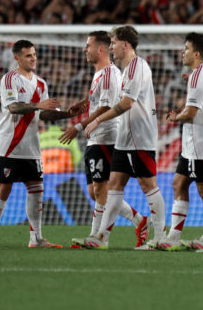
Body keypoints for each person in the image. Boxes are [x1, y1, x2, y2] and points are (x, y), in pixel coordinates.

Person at [0, 39, 86, 248]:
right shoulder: (10, 79)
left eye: (35, 55)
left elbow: (44, 115)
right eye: (28, 55)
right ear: (17, 58)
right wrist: (38, 105)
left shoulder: (41, 83)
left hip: (31, 147)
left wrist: (67, 113)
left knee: (36, 189)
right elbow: (13, 108)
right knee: (4, 189)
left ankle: (36, 238)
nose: (33, 59)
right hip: (9, 145)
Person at [59, 31, 149, 249]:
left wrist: (79, 126)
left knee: (102, 189)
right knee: (95, 191)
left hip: (107, 137)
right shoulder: (100, 73)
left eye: (88, 45)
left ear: (100, 49)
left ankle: (96, 236)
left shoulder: (109, 73)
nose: (84, 49)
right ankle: (138, 220)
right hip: (96, 138)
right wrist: (85, 102)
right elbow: (102, 99)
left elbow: (107, 106)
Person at [83, 26, 166, 250]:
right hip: (124, 138)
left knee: (148, 185)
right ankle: (102, 236)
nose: (111, 47)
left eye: (114, 43)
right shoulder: (128, 68)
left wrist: (98, 120)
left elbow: (126, 103)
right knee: (114, 184)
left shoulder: (137, 66)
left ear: (125, 44)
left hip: (140, 137)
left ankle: (160, 237)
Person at [160, 33, 203, 252]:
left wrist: (174, 117)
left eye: (186, 48)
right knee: (179, 183)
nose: (183, 52)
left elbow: (190, 113)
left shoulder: (198, 75)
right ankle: (173, 237)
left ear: (197, 54)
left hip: (202, 143)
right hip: (195, 144)